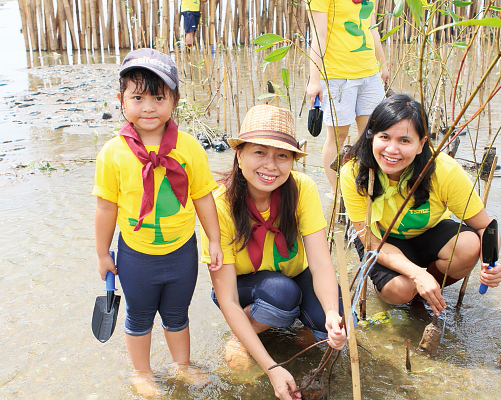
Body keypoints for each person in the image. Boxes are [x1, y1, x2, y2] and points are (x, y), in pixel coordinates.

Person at [92, 48, 223, 396]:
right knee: (139, 316)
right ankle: (142, 372)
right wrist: (103, 253)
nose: (148, 107)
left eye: (158, 97)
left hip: (182, 251)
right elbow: (106, 209)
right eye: (137, 97)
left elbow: (203, 197)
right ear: (121, 100)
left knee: (178, 314)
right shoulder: (113, 153)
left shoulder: (189, 147)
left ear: (175, 100)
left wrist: (213, 240)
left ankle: (182, 365)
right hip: (135, 255)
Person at [201, 105, 347, 400]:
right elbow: (227, 298)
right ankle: (244, 335)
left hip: (293, 275)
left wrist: (332, 313)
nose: (271, 165)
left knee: (339, 328)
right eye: (259, 152)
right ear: (239, 154)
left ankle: (301, 326)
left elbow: (319, 264)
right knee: (282, 294)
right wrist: (271, 367)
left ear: (293, 160)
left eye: (282, 155)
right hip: (243, 288)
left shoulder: (302, 189)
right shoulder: (218, 204)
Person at [340, 94, 501, 316]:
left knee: (468, 246)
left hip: (428, 233)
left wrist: (489, 264)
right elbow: (370, 241)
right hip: (381, 239)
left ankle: (426, 293)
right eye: (384, 137)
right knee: (400, 290)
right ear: (371, 137)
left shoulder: (444, 171)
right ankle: (415, 288)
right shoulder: (354, 173)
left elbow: (485, 226)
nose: (391, 149)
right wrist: (418, 274)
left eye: (404, 141)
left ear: (422, 144)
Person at [306, 0, 390, 195]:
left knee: (372, 134)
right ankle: (339, 194)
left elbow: (372, 27)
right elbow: (319, 36)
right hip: (338, 76)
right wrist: (314, 79)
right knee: (337, 137)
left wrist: (382, 64)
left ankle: (367, 189)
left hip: (370, 75)